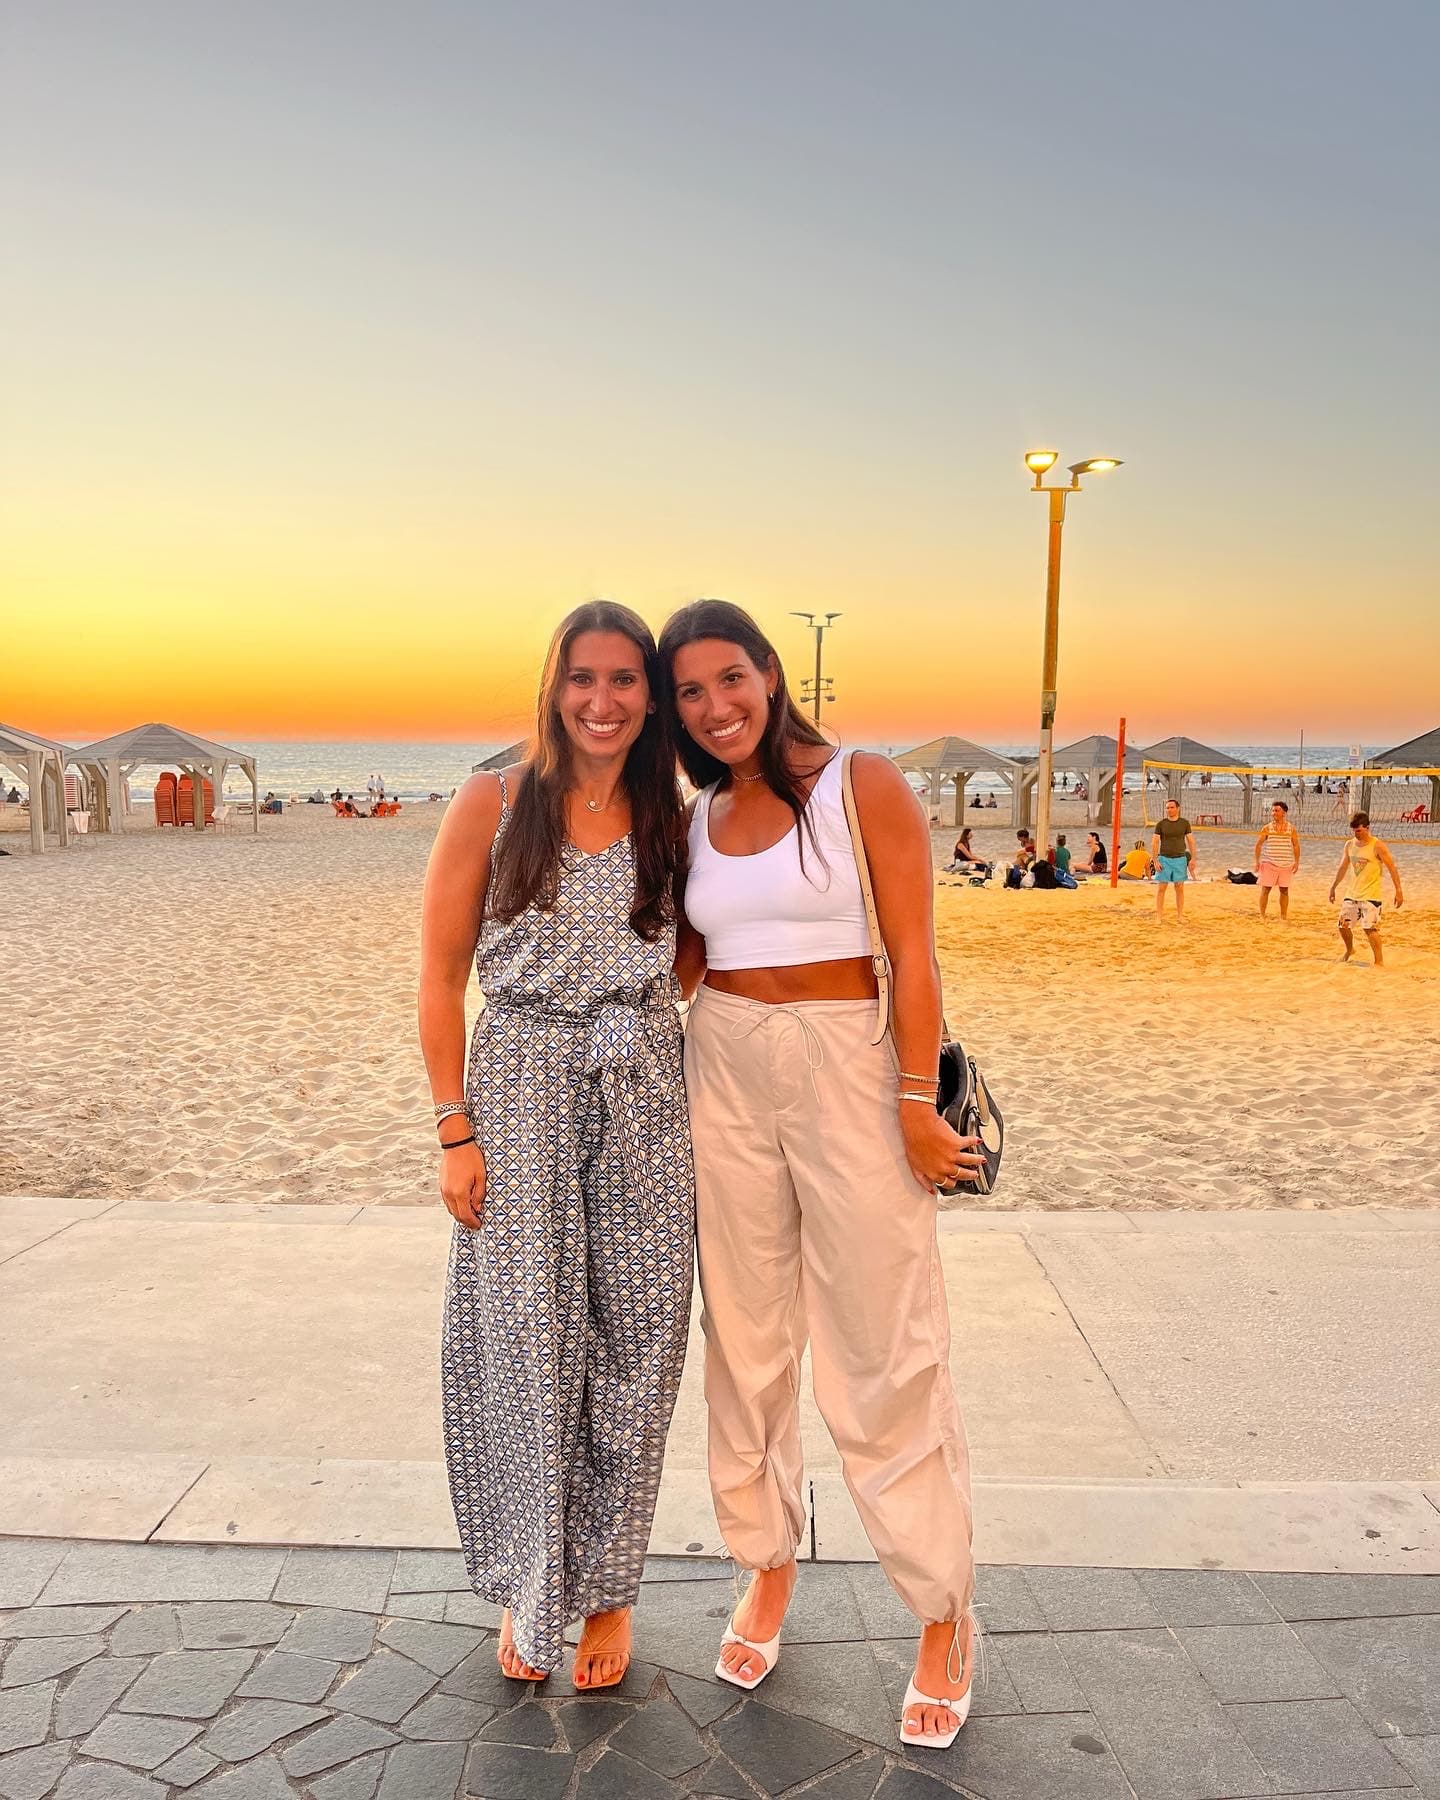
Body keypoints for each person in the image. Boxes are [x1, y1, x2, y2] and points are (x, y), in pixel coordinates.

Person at [661, 599, 982, 1750]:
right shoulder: (700, 817)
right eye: (691, 693)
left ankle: (942, 1609)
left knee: (883, 1343)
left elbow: (913, 953)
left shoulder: (863, 782)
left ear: (770, 671)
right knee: (745, 1341)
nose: (716, 707)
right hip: (723, 1069)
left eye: (730, 679)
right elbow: (684, 962)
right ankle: (764, 1562)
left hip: (849, 1062)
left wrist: (910, 1102)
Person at [418, 601, 694, 1689]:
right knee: (530, 1349)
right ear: (554, 684)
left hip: (642, 1100)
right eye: (584, 678)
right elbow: (441, 976)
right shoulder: (492, 798)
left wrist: (632, 1033)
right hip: (519, 1087)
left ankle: (610, 1593)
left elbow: (693, 956)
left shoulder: (667, 811)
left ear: (649, 696)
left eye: (625, 680)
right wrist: (456, 1129)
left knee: (639, 1341)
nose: (602, 700)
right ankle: (537, 1585)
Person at [1328, 811, 1403, 965]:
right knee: (1343, 926)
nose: (1356, 834)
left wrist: (1399, 891)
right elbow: (1342, 867)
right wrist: (1333, 887)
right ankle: (1349, 950)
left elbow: (1392, 868)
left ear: (1367, 828)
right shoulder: (1349, 844)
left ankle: (1379, 962)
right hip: (1352, 893)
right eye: (1354, 831)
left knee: (1369, 929)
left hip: (1371, 895)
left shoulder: (1377, 846)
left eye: (1359, 831)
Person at [1254, 800, 1301, 920]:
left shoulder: (1291, 828)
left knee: (1284, 891)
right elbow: (1258, 845)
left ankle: (1283, 916)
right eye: (1273, 810)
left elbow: (1296, 845)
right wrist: (1257, 861)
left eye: (1276, 810)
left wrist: (1296, 862)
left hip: (1286, 864)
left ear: (1284, 813)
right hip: (1270, 862)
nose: (1273, 813)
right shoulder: (1267, 828)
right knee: (1265, 890)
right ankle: (1262, 915)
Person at [1150, 799, 1196, 920]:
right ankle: (1159, 916)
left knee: (1179, 887)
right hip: (1164, 858)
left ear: (1178, 808)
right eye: (1167, 808)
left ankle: (1180, 916)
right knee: (1161, 887)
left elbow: (1191, 841)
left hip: (1180, 858)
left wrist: (1193, 858)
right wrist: (1155, 860)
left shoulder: (1184, 823)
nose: (1169, 810)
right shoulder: (1161, 824)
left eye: (1171, 807)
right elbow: (1155, 842)